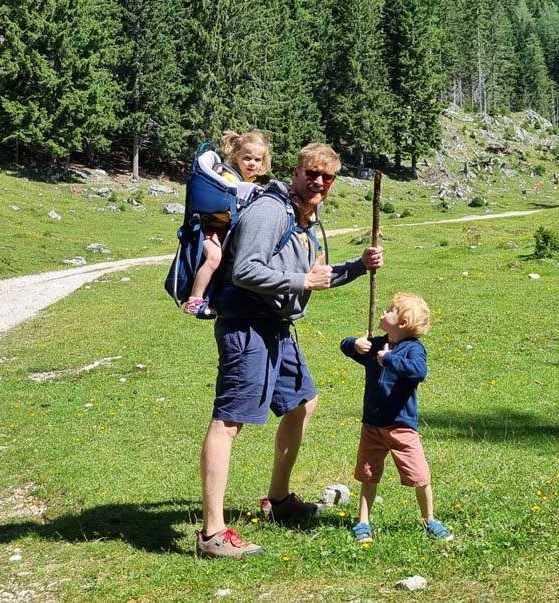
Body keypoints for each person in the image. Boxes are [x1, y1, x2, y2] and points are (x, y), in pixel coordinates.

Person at [196, 143, 384, 559]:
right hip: (247, 326)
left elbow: (313, 275)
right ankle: (212, 532)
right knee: (228, 422)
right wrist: (301, 284)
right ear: (295, 172)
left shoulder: (305, 220)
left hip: (277, 327)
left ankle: (278, 501)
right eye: (311, 173)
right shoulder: (270, 210)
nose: (318, 181)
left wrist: (358, 266)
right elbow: (246, 270)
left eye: (327, 177)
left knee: (302, 403)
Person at [339, 292, 452, 544]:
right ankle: (363, 522)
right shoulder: (376, 344)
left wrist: (389, 359)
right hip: (372, 425)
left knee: (419, 476)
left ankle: (429, 519)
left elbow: (418, 371)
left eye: (390, 310)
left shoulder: (414, 349)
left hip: (402, 426)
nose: (383, 312)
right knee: (368, 474)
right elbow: (346, 347)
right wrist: (354, 344)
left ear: (402, 322)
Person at [184, 130, 273, 317]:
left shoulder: (246, 179)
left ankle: (216, 299)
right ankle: (194, 299)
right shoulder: (229, 177)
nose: (252, 163)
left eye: (257, 160)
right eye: (247, 158)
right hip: (208, 229)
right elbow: (232, 196)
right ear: (235, 156)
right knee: (214, 258)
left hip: (223, 231)